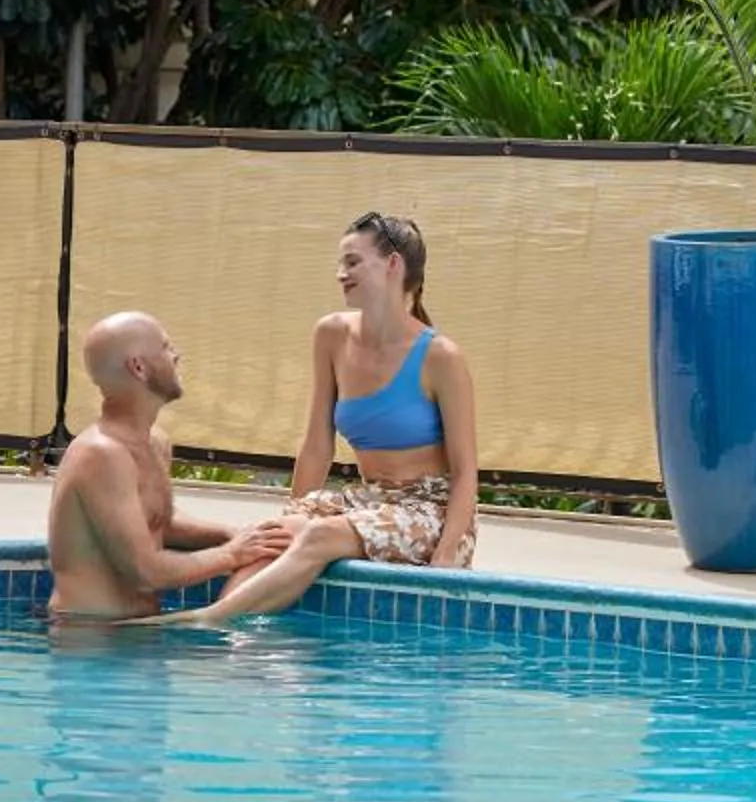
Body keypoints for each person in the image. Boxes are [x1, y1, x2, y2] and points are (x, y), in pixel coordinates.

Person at [194, 211, 477, 622]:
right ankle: (228, 643)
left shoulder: (440, 357)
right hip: (370, 501)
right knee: (269, 540)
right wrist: (292, 515)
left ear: (393, 264)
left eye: (353, 262)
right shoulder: (331, 335)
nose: (340, 273)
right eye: (341, 263)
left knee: (320, 535)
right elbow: (316, 445)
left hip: (431, 513)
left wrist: (447, 558)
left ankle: (207, 620)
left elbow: (467, 472)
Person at [46, 311, 289, 620]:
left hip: (138, 634)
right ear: (139, 367)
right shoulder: (101, 454)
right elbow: (145, 571)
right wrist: (231, 554)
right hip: (89, 639)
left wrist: (233, 534)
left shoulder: (154, 442)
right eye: (165, 346)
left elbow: (159, 524)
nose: (177, 355)